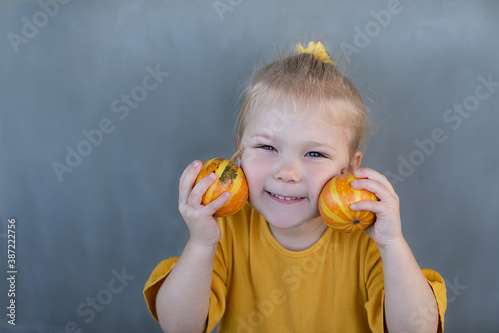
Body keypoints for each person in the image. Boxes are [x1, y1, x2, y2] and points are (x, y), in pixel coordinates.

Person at [144, 41, 447, 332]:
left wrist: (393, 245)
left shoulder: (369, 241)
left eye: (315, 154)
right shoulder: (225, 231)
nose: (287, 173)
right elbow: (179, 327)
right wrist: (201, 243)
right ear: (240, 149)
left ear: (349, 168)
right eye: (266, 147)